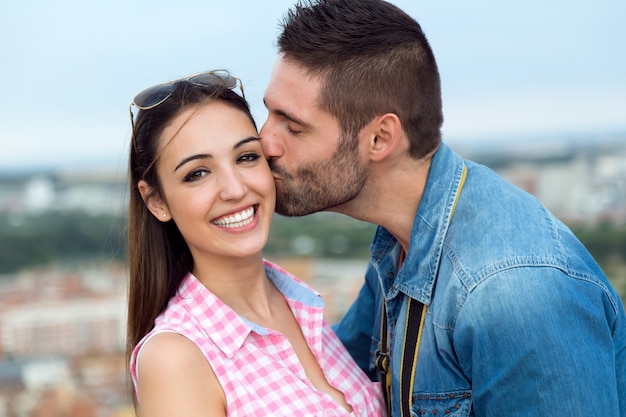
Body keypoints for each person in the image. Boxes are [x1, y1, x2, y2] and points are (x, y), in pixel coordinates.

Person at [260, 1, 626, 416]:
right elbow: (327, 378)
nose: (264, 142)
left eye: (292, 126)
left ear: (380, 138)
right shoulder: (402, 240)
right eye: (268, 114)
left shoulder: (514, 294)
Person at [125, 70, 385, 417]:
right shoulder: (177, 358)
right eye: (197, 173)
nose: (234, 189)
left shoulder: (301, 307)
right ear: (156, 200)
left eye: (246, 157)